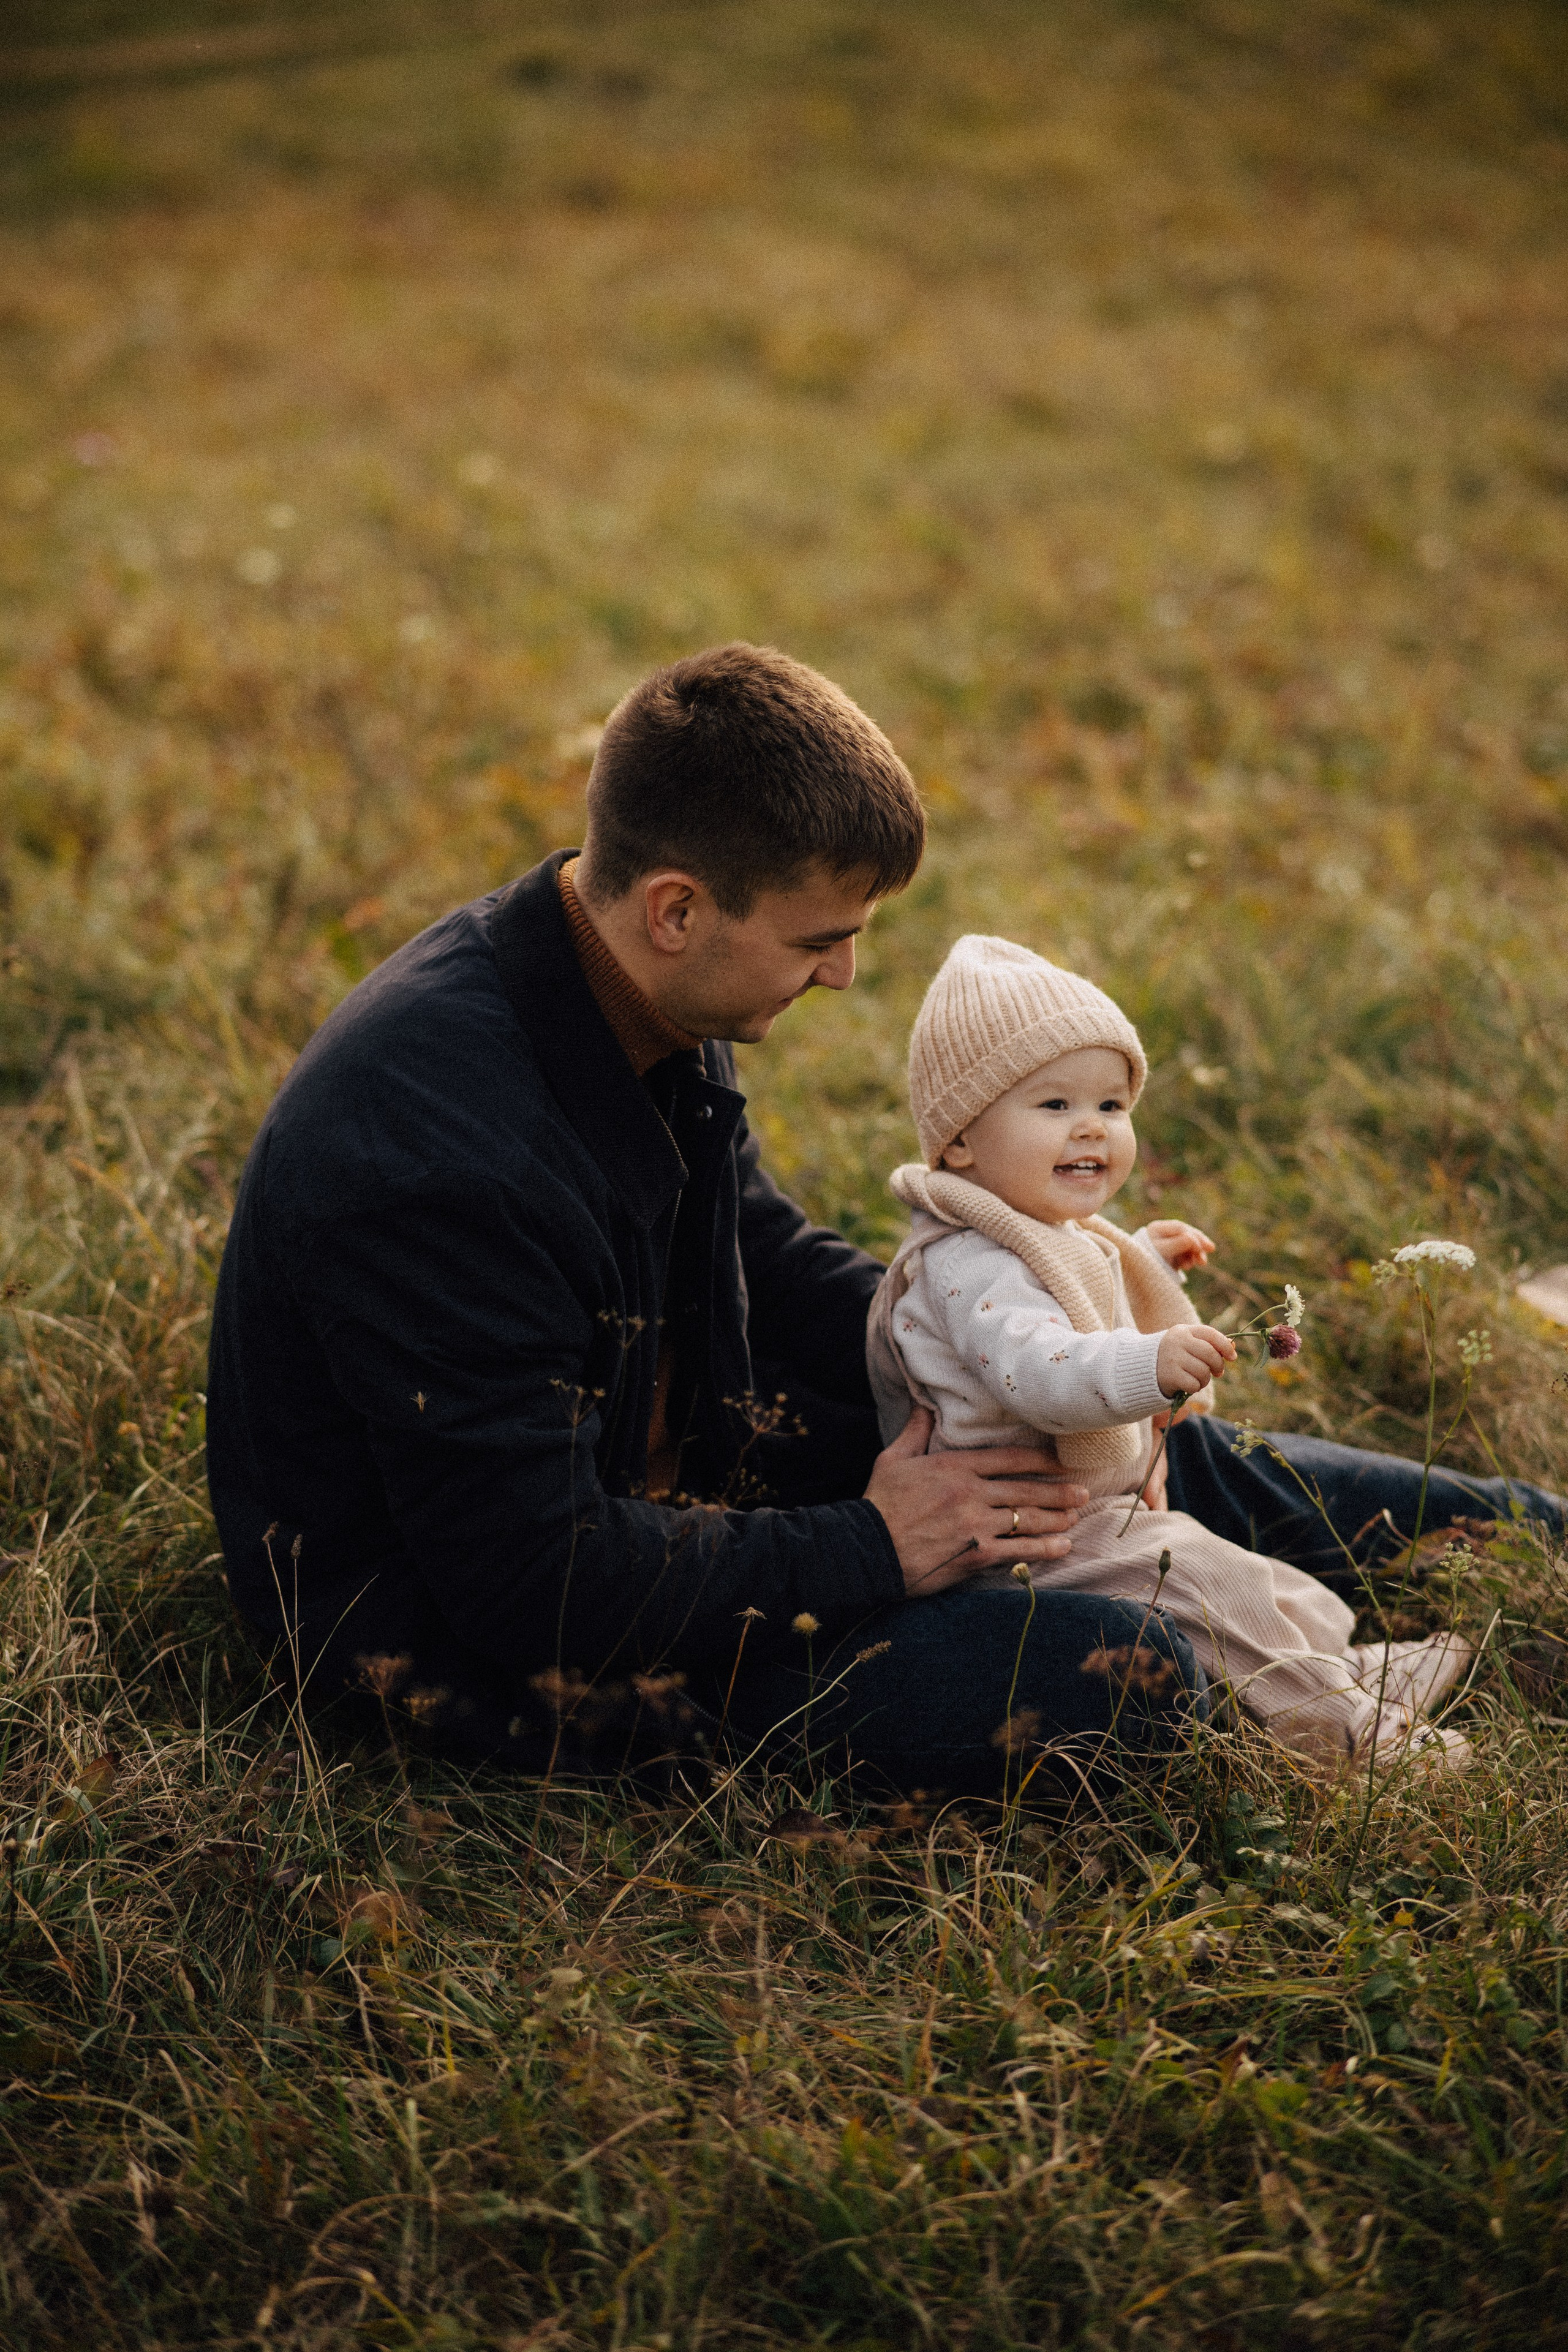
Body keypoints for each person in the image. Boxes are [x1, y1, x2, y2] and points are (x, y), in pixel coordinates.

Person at [205, 643, 1562, 1795]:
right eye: (816, 942)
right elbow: (526, 1580)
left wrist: (1002, 1331)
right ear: (677, 908)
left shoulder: (630, 980)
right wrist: (875, 1543)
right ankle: (1266, 1675)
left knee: (1078, 1441)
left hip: (685, 1474)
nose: (846, 976)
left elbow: (752, 1250)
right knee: (1108, 1678)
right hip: (488, 1639)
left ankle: (1533, 1534)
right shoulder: (437, 1156)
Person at [868, 935, 1480, 1768]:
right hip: (1020, 1545)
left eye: (1111, 1107)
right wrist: (1147, 1364)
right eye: (1053, 1107)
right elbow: (1040, 1368)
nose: (1091, 1127)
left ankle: (1341, 1671)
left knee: (1248, 1579)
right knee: (1208, 1589)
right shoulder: (965, 1262)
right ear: (962, 1143)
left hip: (1082, 1516)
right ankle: (1348, 1735)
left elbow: (1076, 1293)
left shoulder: (1039, 1232)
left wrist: (1140, 1262)